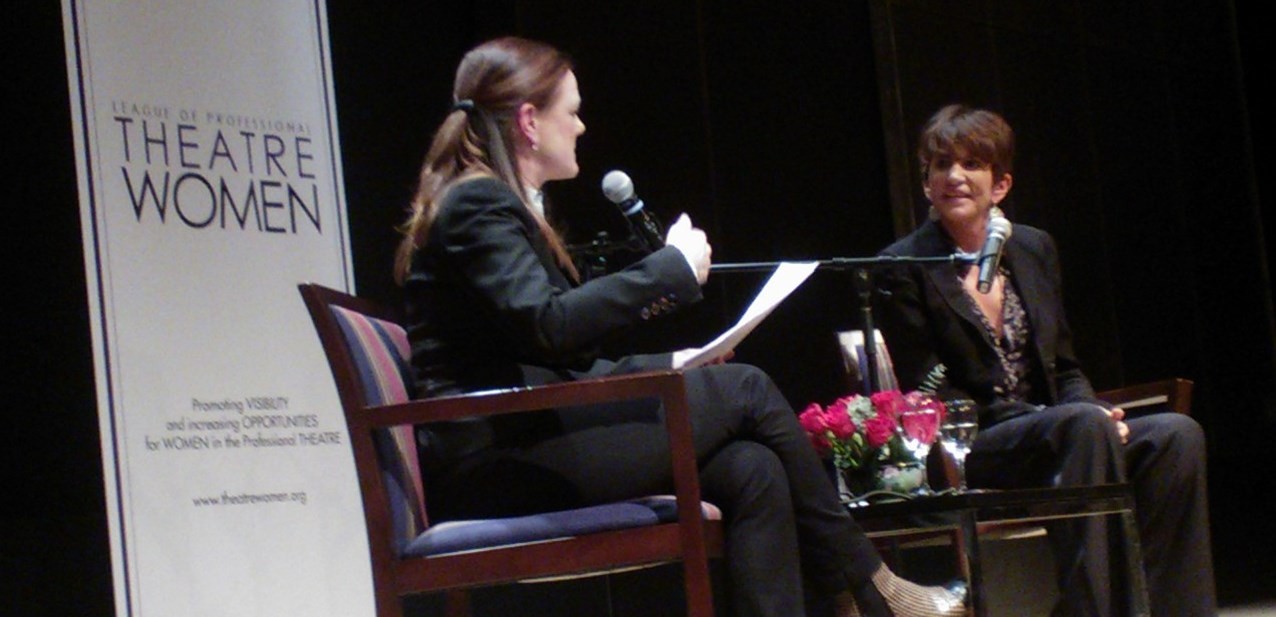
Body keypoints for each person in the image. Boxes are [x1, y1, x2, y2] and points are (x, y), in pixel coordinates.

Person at [393, 36, 965, 617]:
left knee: (752, 467)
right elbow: (548, 326)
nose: (583, 126)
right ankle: (872, 587)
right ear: (528, 122)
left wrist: (673, 364)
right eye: (572, 111)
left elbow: (554, 352)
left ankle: (855, 594)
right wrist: (666, 271)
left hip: (530, 435)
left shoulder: (490, 203)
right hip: (496, 465)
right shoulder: (478, 203)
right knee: (746, 388)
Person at [874, 104, 1216, 616]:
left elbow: (1065, 367)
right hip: (974, 442)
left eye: (971, 164)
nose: (954, 176)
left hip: (1065, 434)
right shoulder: (903, 266)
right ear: (926, 184)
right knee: (1081, 426)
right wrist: (1064, 418)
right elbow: (931, 389)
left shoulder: (1034, 249)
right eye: (941, 165)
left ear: (1001, 185)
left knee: (1175, 436)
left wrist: (1093, 410)